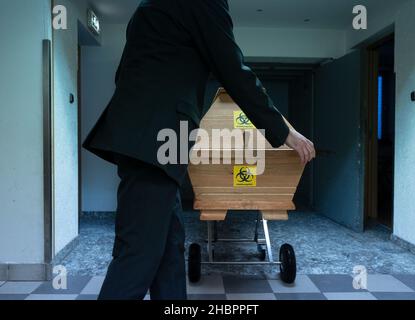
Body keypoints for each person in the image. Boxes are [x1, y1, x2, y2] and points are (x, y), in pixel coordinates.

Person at [83, 0, 315, 300]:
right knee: (138, 254)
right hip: (157, 141)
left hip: (149, 139)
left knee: (169, 250)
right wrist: (285, 132)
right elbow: (233, 70)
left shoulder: (152, 7)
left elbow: (126, 73)